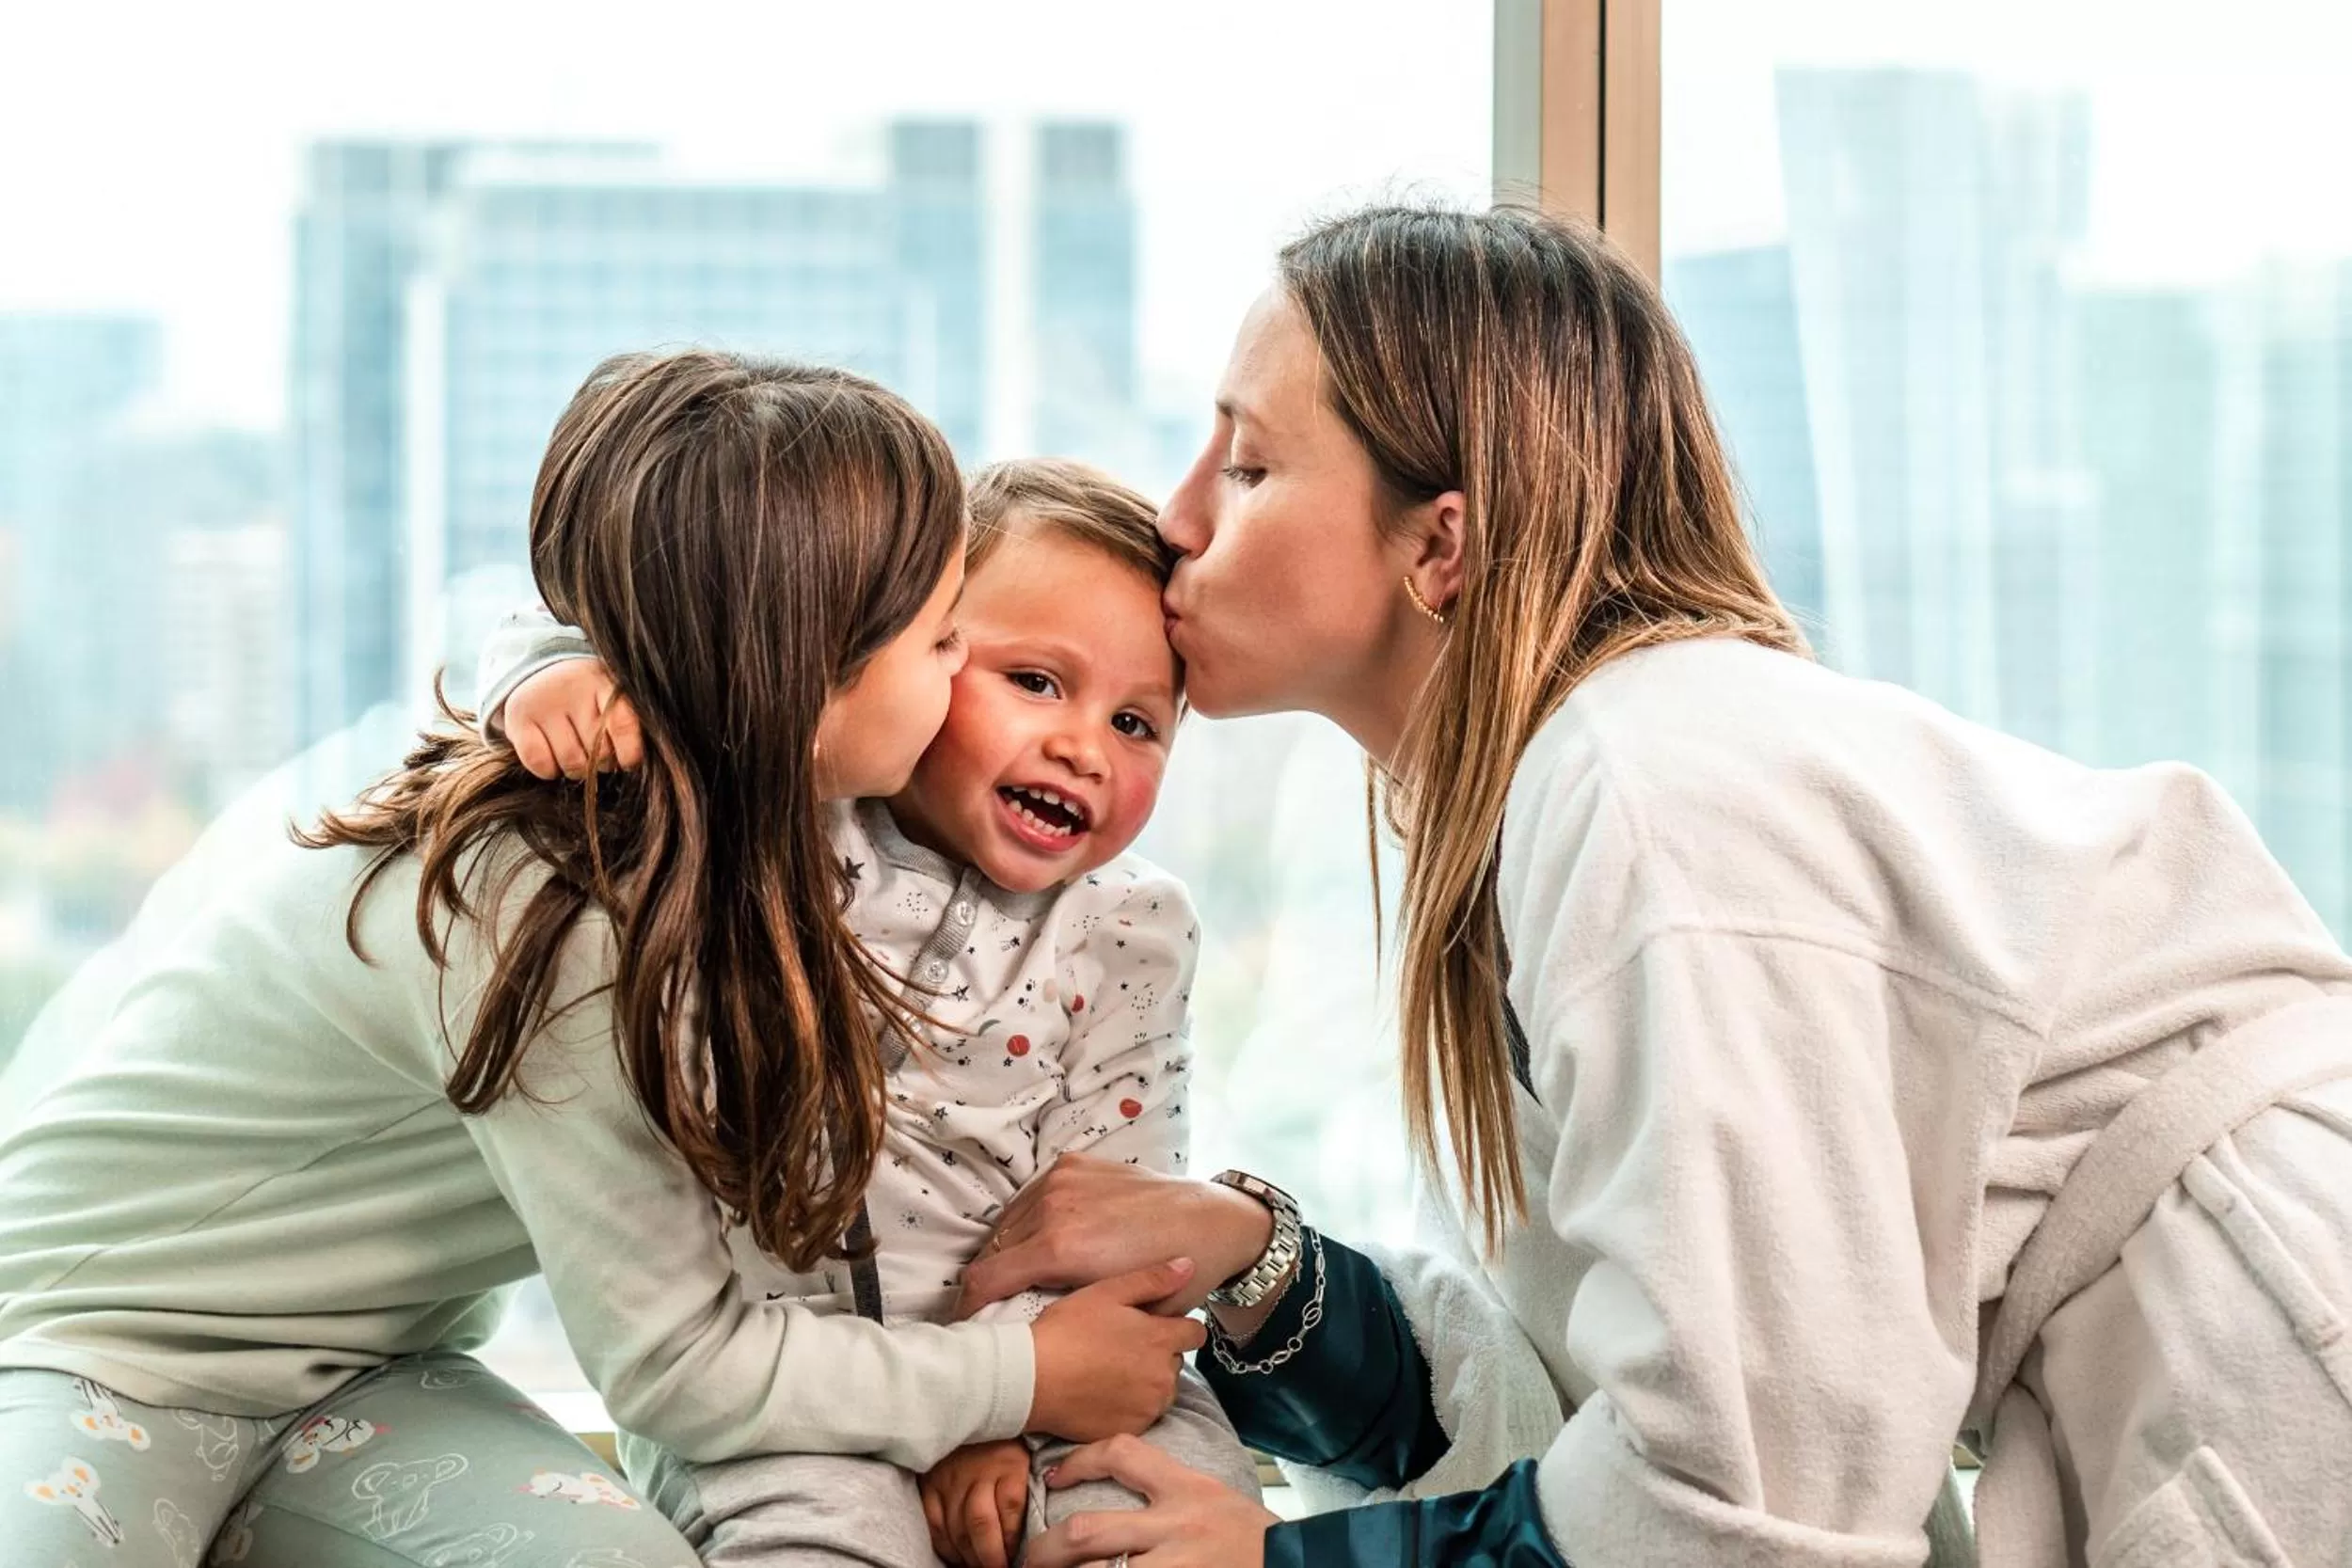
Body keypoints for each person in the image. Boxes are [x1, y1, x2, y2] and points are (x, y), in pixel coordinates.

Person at [945, 205, 2352, 1568]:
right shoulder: (1550, 797)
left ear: (1439, 545)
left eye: (1247, 469)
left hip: (2265, 1346)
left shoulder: (1651, 784)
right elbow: (1574, 1403)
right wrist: (1264, 1273)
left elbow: (1742, 1503)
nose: (1178, 516)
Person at [0, 353, 1192, 1566]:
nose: (959, 674)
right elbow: (681, 1365)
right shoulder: (561, 910)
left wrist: (547, 657)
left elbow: (669, 589)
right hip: (91, 1343)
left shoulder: (740, 826)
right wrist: (1020, 1374)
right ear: (805, 664)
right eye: (944, 638)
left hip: (373, 1371)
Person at [481, 459, 1261, 1568]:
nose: (1084, 744)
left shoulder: (1130, 927)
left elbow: (1107, 1211)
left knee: (1166, 1507)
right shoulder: (789, 818)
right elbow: (644, 615)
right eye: (1036, 681)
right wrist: (555, 673)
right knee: (821, 1537)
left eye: (1139, 720)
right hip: (786, 1388)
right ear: (917, 655)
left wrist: (1003, 1404)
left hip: (1060, 1367)